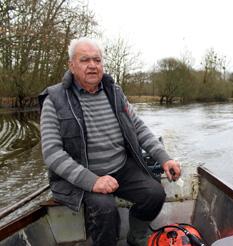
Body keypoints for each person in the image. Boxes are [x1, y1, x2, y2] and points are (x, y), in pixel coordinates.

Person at [39, 37, 181, 246]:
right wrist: (93, 181)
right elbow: (52, 153)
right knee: (105, 210)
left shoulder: (114, 92)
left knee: (155, 193)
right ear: (71, 65)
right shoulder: (55, 99)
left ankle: (137, 237)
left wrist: (164, 159)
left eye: (97, 60)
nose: (92, 66)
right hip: (85, 175)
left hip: (121, 167)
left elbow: (139, 128)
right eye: (85, 60)